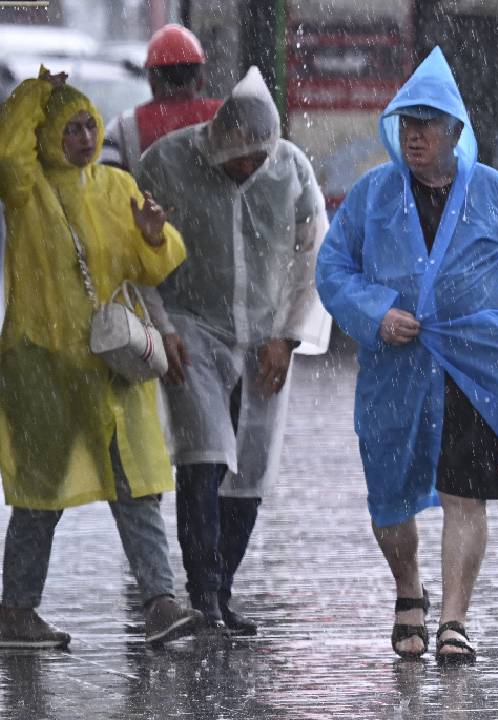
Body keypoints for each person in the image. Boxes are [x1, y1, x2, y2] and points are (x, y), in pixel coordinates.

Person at [316, 48, 498, 664]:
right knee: (390, 495)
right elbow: (333, 267)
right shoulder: (373, 195)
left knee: (467, 491)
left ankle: (454, 620)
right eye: (406, 122)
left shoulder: (492, 194)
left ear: (455, 132)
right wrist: (376, 313)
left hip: (474, 366)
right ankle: (408, 590)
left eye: (428, 122)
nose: (414, 134)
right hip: (394, 371)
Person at [0, 68, 204, 648]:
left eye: (91, 123)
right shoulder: (27, 189)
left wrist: (152, 236)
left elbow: (154, 268)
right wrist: (34, 95)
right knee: (42, 494)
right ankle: (14, 611)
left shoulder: (115, 187)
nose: (86, 136)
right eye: (71, 128)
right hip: (44, 367)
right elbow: (6, 150)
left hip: (114, 364)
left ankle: (161, 604)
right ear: (47, 136)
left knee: (136, 487)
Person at [134, 67, 331, 635]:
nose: (249, 167)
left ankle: (223, 585)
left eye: (257, 157)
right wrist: (162, 326)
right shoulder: (166, 163)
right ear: (219, 141)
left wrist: (287, 338)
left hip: (265, 334)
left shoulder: (290, 168)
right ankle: (204, 593)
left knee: (250, 470)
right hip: (193, 326)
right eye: (240, 156)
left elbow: (311, 255)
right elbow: (136, 255)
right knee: (203, 457)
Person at [101, 23, 221, 173]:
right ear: (200, 80)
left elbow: (107, 186)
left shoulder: (121, 128)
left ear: (151, 80)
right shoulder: (224, 115)